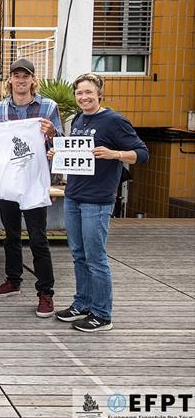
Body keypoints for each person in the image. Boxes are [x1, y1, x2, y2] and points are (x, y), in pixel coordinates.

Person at [52, 73, 148, 332]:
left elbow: (142, 153)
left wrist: (114, 154)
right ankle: (82, 303)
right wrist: (58, 153)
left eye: (88, 93)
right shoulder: (80, 119)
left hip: (97, 200)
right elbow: (78, 155)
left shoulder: (115, 121)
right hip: (74, 195)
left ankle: (102, 314)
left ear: (99, 94)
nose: (83, 97)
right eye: (79, 93)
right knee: (79, 255)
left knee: (96, 258)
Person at [0, 58, 63, 317]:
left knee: (38, 239)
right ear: (9, 80)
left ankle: (46, 292)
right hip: (8, 183)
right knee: (11, 235)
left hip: (34, 183)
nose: (21, 80)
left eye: (26, 76)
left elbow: (63, 145)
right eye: (16, 76)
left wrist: (52, 134)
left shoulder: (48, 107)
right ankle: (13, 280)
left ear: (33, 80)